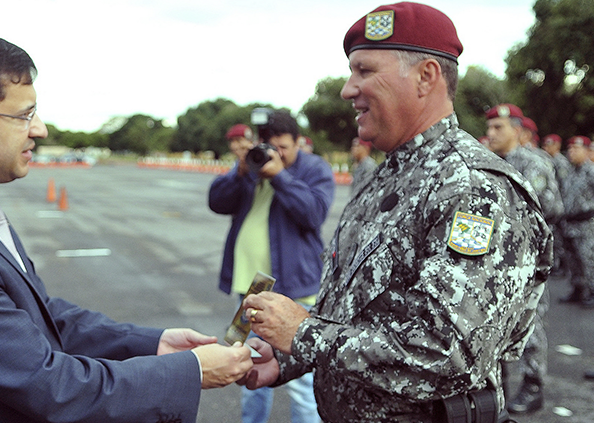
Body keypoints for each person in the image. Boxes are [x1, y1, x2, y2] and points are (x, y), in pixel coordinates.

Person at [0, 32, 252, 423]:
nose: (40, 129)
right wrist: (192, 372)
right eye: (24, 115)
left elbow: (39, 317)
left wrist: (152, 344)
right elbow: (49, 385)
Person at [238, 3, 552, 422]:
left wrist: (302, 334)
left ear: (426, 77)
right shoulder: (387, 178)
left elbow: (447, 353)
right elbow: (355, 314)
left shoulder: (475, 188)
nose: (348, 89)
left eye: (365, 71)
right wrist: (286, 357)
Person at [209, 113, 334, 423]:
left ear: (297, 143)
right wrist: (239, 172)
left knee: (303, 383)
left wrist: (280, 176)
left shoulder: (313, 168)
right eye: (270, 147)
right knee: (248, 366)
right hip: (251, 288)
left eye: (283, 148)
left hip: (296, 288)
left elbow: (313, 214)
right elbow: (217, 202)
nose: (276, 155)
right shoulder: (252, 166)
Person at [485, 104, 562, 414]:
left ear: (517, 131)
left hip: (526, 260)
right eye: (489, 128)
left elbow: (551, 209)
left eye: (498, 128)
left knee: (529, 325)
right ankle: (498, 389)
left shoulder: (532, 163)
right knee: (496, 325)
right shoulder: (489, 162)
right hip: (496, 260)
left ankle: (534, 384)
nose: (491, 134)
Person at [558, 135, 594, 310]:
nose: (572, 152)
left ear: (587, 151)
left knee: (588, 259)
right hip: (570, 223)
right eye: (570, 149)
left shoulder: (591, 171)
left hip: (586, 224)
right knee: (573, 259)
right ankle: (578, 289)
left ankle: (593, 291)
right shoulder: (570, 172)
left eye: (576, 149)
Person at [541, 134, 573, 276]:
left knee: (561, 239)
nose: (546, 147)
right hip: (556, 203)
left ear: (557, 146)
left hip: (562, 205)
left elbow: (565, 186)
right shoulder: (548, 160)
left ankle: (563, 266)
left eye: (550, 144)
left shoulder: (561, 162)